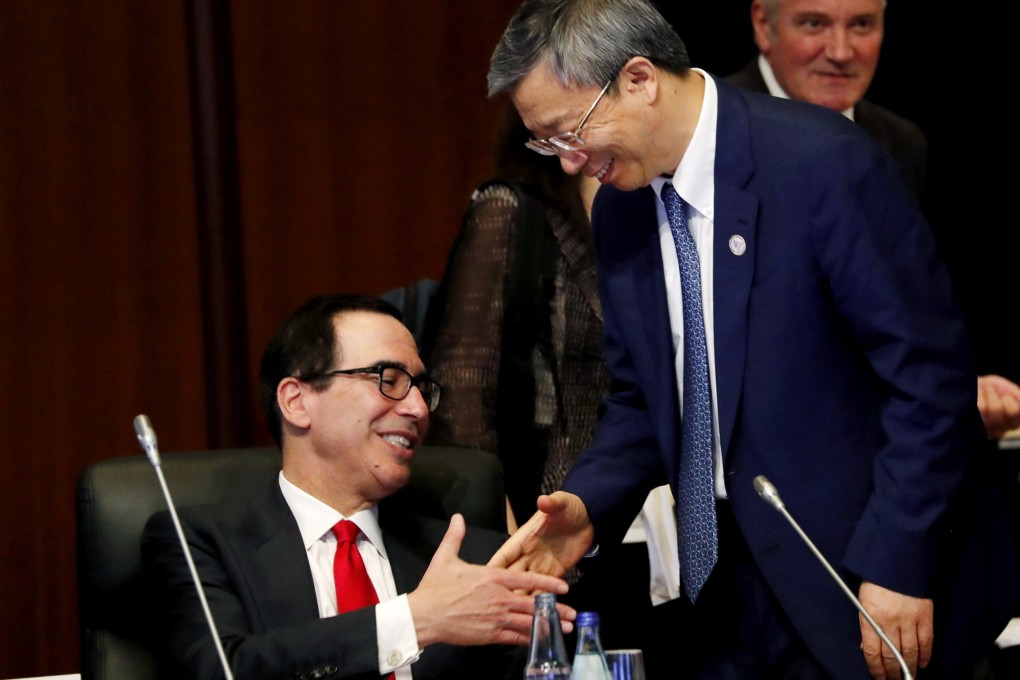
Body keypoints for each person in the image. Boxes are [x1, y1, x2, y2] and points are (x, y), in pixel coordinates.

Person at [484, 1, 1020, 678]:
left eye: (569, 134)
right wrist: (587, 504)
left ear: (640, 81)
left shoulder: (825, 165)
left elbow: (929, 382)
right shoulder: (623, 207)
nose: (567, 164)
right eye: (546, 143)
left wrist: (899, 564)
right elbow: (644, 396)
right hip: (726, 589)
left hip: (861, 575)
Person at [141, 293, 574, 679]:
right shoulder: (201, 544)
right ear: (297, 401)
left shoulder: (475, 562)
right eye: (389, 378)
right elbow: (220, 670)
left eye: (422, 388)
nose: (418, 408)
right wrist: (413, 620)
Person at [424, 103, 686, 678]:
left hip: (674, 535)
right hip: (560, 544)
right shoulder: (514, 207)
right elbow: (464, 390)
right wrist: (512, 542)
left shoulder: (669, 198)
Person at [725, 0, 1020, 440]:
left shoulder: (901, 143)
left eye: (861, 25)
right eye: (814, 24)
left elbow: (908, 312)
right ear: (763, 26)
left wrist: (956, 388)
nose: (842, 51)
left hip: (877, 454)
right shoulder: (712, 133)